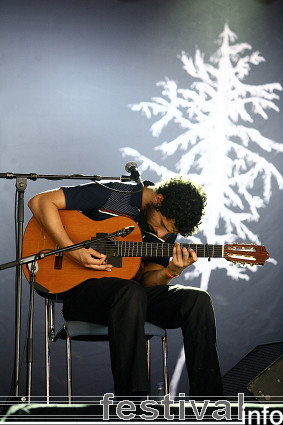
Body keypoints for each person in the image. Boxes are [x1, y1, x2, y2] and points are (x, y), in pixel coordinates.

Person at [28, 176, 223, 399]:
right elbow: (40, 202)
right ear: (158, 200)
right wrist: (73, 250)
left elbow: (147, 281)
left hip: (132, 299)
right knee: (131, 292)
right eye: (161, 226)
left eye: (168, 233)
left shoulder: (169, 225)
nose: (162, 236)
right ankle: (133, 403)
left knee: (197, 300)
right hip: (83, 295)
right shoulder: (112, 195)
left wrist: (171, 272)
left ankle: (210, 402)